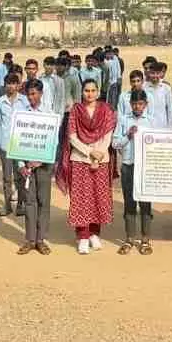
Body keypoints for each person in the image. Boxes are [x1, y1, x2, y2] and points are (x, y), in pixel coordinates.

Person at [57, 79, 116, 255]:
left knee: (98, 197)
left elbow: (108, 134)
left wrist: (99, 153)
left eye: (93, 90)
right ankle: (82, 236)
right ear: (82, 92)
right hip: (80, 159)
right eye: (86, 91)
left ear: (98, 92)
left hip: (102, 159)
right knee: (81, 198)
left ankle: (94, 233)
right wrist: (90, 152)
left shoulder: (106, 110)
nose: (90, 94)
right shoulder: (76, 110)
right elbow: (72, 136)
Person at [112, 90, 153, 255]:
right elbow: (115, 143)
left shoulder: (150, 121)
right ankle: (129, 239)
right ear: (130, 104)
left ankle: (145, 240)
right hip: (128, 165)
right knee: (129, 203)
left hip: (145, 168)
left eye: (140, 104)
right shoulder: (123, 120)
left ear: (146, 104)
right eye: (134, 104)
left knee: (145, 204)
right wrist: (127, 136)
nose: (137, 107)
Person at [16, 80, 54, 255]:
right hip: (27, 166)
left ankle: (41, 240)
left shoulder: (49, 115)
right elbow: (16, 141)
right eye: (28, 94)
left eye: (34, 94)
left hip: (44, 165)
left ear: (41, 93)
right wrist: (21, 164)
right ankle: (30, 240)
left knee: (43, 201)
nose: (31, 97)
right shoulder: (21, 114)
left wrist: (42, 160)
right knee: (30, 202)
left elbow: (53, 142)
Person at [0, 74, 28, 217]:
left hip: (20, 144)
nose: (11, 86)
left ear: (19, 85)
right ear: (5, 85)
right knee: (7, 178)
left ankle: (20, 205)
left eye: (14, 83)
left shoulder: (24, 101)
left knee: (20, 176)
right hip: (5, 144)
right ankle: (7, 205)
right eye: (8, 83)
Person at [143, 62, 172, 129]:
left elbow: (170, 109)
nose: (155, 76)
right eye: (152, 73)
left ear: (160, 74)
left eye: (157, 73)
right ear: (149, 73)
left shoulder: (166, 88)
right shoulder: (144, 88)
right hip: (148, 125)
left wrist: (169, 126)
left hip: (162, 125)